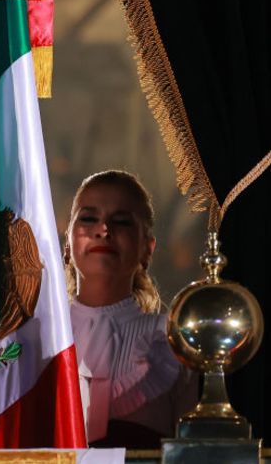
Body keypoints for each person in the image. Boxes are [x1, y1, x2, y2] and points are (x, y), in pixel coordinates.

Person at [64, 170, 198, 448]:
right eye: (89, 218)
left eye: (121, 222)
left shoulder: (172, 341)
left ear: (147, 248)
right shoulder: (40, 339)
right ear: (68, 242)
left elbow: (194, 451)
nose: (104, 230)